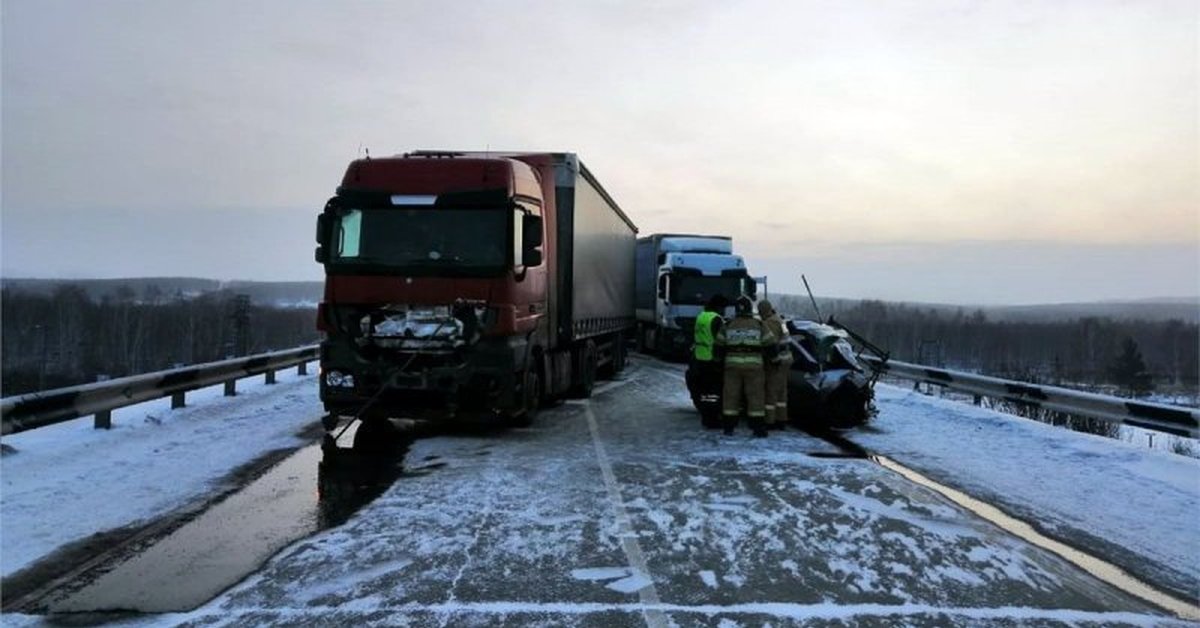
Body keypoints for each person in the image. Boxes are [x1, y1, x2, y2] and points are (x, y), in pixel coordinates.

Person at [715, 296, 775, 437]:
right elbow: (771, 345)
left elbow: (718, 346)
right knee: (755, 397)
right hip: (754, 366)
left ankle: (729, 427)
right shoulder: (759, 324)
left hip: (732, 366)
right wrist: (772, 359)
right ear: (750, 308)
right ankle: (758, 428)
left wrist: (717, 362)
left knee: (730, 397)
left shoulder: (728, 324)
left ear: (736, 309)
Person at [690, 295, 727, 427]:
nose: (724, 311)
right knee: (714, 391)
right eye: (723, 308)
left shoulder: (701, 316)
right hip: (712, 359)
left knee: (705, 391)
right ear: (719, 307)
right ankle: (713, 419)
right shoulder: (716, 319)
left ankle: (706, 417)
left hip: (699, 358)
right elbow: (721, 340)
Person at [757, 299, 792, 429]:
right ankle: (781, 420)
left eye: (760, 312)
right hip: (786, 359)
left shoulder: (770, 323)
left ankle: (769, 421)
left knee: (770, 392)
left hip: (776, 361)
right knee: (782, 392)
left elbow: (769, 344)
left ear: (764, 311)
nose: (760, 315)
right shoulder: (780, 320)